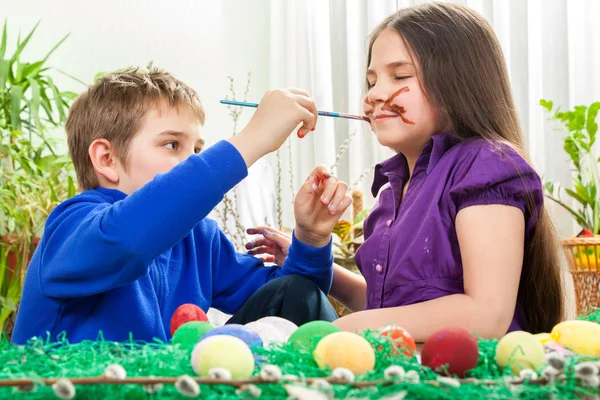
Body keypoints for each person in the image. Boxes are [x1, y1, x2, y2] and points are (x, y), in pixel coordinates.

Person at [245, 2, 564, 341]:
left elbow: (486, 314)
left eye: (399, 76)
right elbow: (392, 306)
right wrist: (310, 256)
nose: (375, 94)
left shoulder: (485, 164)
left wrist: (340, 329)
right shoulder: (389, 195)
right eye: (371, 81)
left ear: (460, 82)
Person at [12, 68, 351, 344]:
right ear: (107, 158)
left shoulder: (200, 238)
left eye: (197, 150)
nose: (189, 160)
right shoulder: (70, 228)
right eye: (172, 144)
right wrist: (252, 139)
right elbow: (127, 241)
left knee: (296, 291)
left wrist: (310, 238)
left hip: (174, 388)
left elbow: (293, 305)